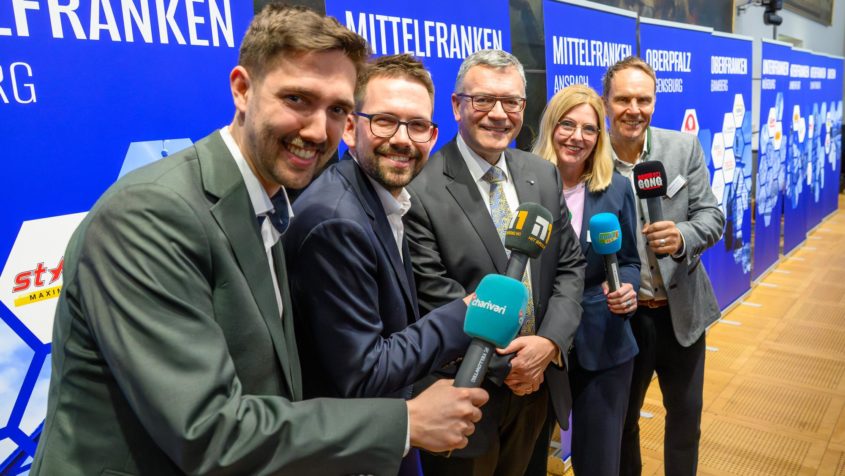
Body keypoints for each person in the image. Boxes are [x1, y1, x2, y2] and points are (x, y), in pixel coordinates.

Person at [31, 6, 488, 476]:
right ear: (242, 89)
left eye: (336, 109)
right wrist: (403, 424)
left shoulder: (269, 202)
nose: (316, 129)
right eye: (296, 99)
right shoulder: (152, 213)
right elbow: (207, 431)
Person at [284, 54, 477, 475]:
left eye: (418, 125)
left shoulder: (381, 197)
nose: (403, 139)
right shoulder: (338, 220)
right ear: (351, 128)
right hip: (349, 452)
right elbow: (365, 372)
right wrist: (466, 313)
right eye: (385, 121)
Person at [404, 49, 586, 476]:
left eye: (512, 102)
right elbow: (436, 296)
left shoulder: (541, 174)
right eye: (483, 100)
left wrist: (549, 345)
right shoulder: (420, 189)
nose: (498, 114)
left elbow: (570, 267)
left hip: (538, 388)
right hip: (468, 392)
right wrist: (514, 365)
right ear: (456, 105)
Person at [602, 56, 724, 476]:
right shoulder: (590, 161)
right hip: (623, 319)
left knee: (686, 420)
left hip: (682, 314)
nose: (634, 109)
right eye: (623, 99)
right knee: (623, 425)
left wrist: (683, 238)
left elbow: (712, 216)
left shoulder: (682, 147)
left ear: (654, 102)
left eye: (643, 99)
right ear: (606, 102)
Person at [532, 84, 641, 475]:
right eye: (567, 124)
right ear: (550, 127)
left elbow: (630, 261)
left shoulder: (616, 190)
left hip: (604, 344)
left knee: (599, 464)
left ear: (599, 137)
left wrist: (625, 287)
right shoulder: (524, 182)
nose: (577, 137)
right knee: (527, 460)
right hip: (538, 347)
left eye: (589, 129)